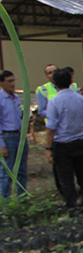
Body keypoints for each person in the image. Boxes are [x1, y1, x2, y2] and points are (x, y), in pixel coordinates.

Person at [44, 67, 83, 209]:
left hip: (62, 143)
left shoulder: (54, 102)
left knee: (66, 177)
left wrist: (48, 148)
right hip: (79, 142)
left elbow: (51, 127)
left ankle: (72, 206)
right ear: (71, 81)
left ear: (54, 83)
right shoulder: (81, 99)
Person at [0, 70, 27, 199]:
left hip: (19, 136)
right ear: (2, 83)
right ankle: (4, 199)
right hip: (7, 137)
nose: (12, 84)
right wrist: (1, 145)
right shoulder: (1, 99)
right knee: (7, 171)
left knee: (21, 169)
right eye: (9, 81)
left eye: (13, 80)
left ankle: (22, 197)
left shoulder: (15, 98)